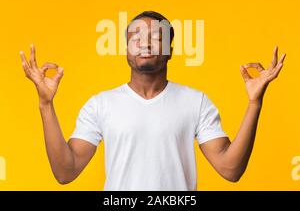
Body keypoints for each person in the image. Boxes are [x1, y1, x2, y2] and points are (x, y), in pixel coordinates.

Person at [19, 11, 286, 191]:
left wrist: (254, 103)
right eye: (135, 38)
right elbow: (66, 172)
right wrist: (45, 104)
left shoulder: (196, 102)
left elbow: (231, 169)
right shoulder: (101, 104)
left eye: (156, 37)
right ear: (126, 50)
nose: (145, 43)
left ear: (170, 50)